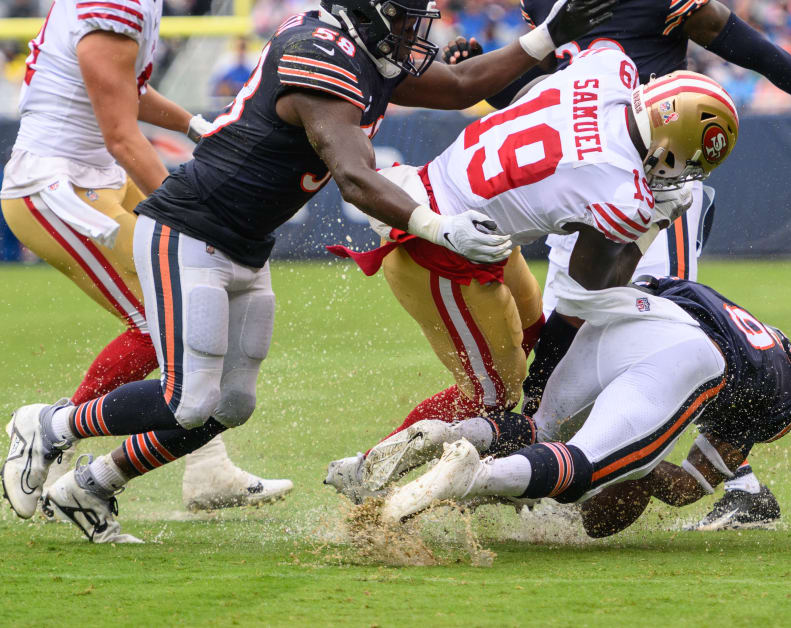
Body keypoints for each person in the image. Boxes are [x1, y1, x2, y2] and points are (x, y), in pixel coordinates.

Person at [4, 0, 617, 543]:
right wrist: (435, 225)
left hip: (242, 244)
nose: (413, 31)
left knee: (229, 406)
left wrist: (544, 38)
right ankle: (50, 422)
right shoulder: (319, 54)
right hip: (189, 230)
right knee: (188, 400)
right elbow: (354, 176)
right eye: (403, 16)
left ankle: (91, 484)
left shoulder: (360, 48)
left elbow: (458, 82)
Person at [432, 0, 791, 531]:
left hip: (656, 188)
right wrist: (486, 79)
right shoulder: (548, 7)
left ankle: (731, 480)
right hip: (589, 194)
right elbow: (550, 96)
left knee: (663, 321)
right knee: (578, 342)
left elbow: (745, 43)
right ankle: (554, 455)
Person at [324, 48, 740, 504]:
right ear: (668, 145)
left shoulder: (609, 68)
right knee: (493, 396)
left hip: (474, 223)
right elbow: (589, 292)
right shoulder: (624, 192)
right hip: (440, 248)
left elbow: (524, 98)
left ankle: (487, 473)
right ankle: (366, 472)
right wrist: (655, 222)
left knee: (531, 343)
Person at [0, 0, 292, 515]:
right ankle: (48, 432)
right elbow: (119, 133)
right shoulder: (116, 4)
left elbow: (124, 90)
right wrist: (197, 216)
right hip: (57, 184)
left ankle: (205, 467)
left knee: (187, 322)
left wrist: (196, 127)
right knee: (161, 324)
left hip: (98, 178)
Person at [376, 276, 791, 537]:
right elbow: (685, 487)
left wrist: (542, 384)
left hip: (632, 314)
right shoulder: (781, 392)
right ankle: (477, 476)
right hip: (693, 351)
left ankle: (447, 435)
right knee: (589, 463)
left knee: (539, 427)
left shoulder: (711, 299)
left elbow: (589, 303)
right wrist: (632, 466)